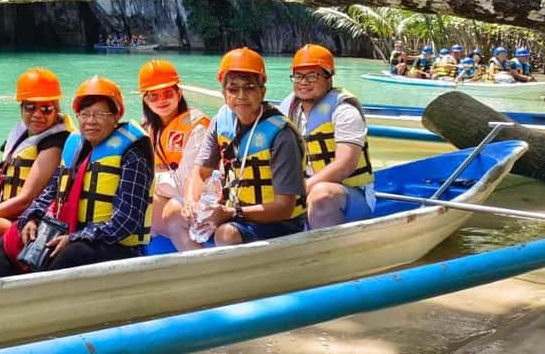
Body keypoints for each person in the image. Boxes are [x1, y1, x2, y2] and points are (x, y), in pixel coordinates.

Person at [0, 76, 154, 276]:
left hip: (113, 243)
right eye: (84, 114)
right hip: (68, 231)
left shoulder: (132, 154)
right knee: (9, 241)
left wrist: (77, 237)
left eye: (99, 114)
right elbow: (51, 192)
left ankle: (44, 303)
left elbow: (127, 220)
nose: (90, 121)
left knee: (71, 253)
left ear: (117, 115)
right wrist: (31, 218)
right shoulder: (75, 148)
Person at [183, 48, 307, 246]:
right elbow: (200, 172)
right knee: (177, 214)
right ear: (224, 94)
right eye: (233, 89)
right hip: (235, 213)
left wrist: (232, 213)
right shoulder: (220, 122)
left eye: (249, 87)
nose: (241, 96)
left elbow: (284, 207)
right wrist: (191, 202)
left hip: (280, 222)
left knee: (226, 234)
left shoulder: (281, 134)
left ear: (262, 92)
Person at [277, 45, 375, 229]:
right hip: (304, 191)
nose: (303, 82)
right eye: (298, 76)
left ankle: (325, 254)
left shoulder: (344, 111)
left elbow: (345, 164)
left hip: (350, 195)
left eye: (312, 76)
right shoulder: (289, 109)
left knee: (321, 194)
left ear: (329, 78)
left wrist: (301, 189)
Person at [0, 68, 71, 247]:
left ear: (56, 110)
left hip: (25, 219)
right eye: (30, 107)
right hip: (2, 210)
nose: (37, 115)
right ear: (21, 107)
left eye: (46, 109)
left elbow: (25, 201)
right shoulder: (20, 135)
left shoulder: (54, 144)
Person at [137, 59, 211, 251]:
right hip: (167, 195)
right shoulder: (147, 128)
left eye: (167, 93)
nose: (161, 100)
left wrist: (148, 181)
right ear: (145, 100)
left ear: (179, 93)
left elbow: (184, 184)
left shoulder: (197, 126)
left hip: (198, 200)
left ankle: (201, 267)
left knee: (166, 210)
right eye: (153, 96)